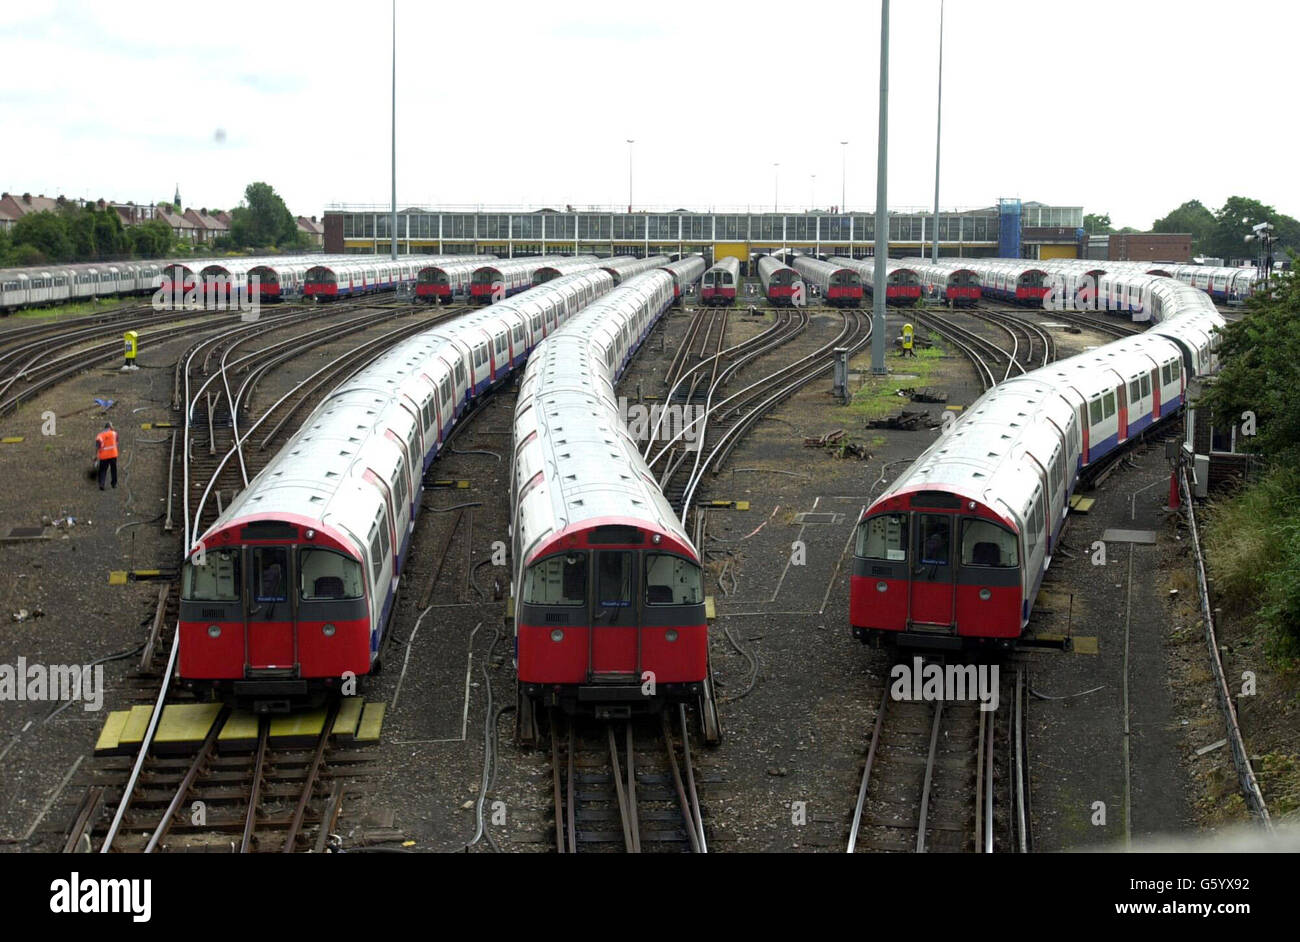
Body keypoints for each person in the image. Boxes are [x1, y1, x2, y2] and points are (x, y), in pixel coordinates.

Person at [95, 421, 119, 490]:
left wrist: (96, 455)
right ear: (110, 427)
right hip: (113, 454)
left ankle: (101, 484)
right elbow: (116, 443)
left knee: (102, 470)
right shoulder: (115, 434)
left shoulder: (100, 435)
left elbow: (97, 446)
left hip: (104, 456)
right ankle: (114, 484)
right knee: (113, 469)